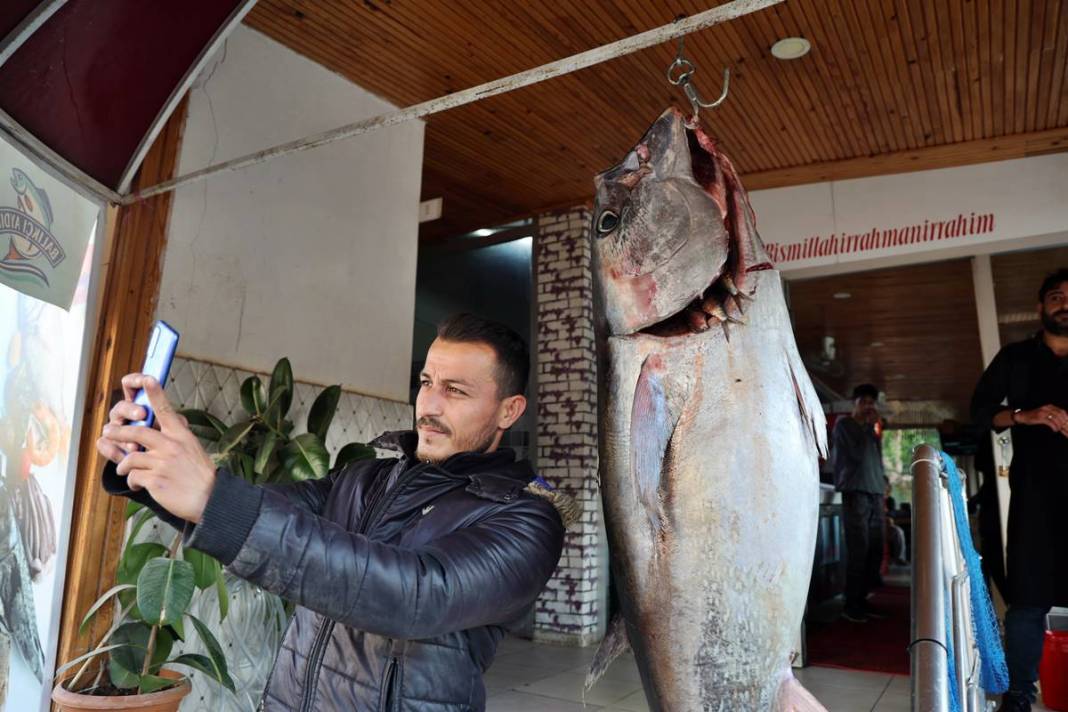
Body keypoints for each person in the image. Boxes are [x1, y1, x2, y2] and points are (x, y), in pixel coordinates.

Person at [96, 313, 574, 712]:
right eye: (426, 382)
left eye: (456, 391)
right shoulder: (364, 478)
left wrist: (211, 496)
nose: (428, 405)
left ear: (509, 411)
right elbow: (255, 513)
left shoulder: (526, 520)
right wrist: (152, 472)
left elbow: (415, 595)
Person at [972, 268, 1068, 712]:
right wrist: (1023, 415)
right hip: (1032, 499)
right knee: (1027, 602)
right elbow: (981, 412)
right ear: (1040, 306)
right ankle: (1019, 697)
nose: (1064, 304)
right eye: (1056, 296)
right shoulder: (1016, 358)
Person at [831, 383, 886, 622]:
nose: (868, 407)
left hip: (875, 492)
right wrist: (867, 426)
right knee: (859, 548)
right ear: (854, 404)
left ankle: (863, 599)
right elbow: (856, 454)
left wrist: (883, 481)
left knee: (875, 547)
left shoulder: (870, 430)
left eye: (871, 403)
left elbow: (876, 458)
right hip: (855, 491)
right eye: (863, 402)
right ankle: (850, 604)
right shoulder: (844, 425)